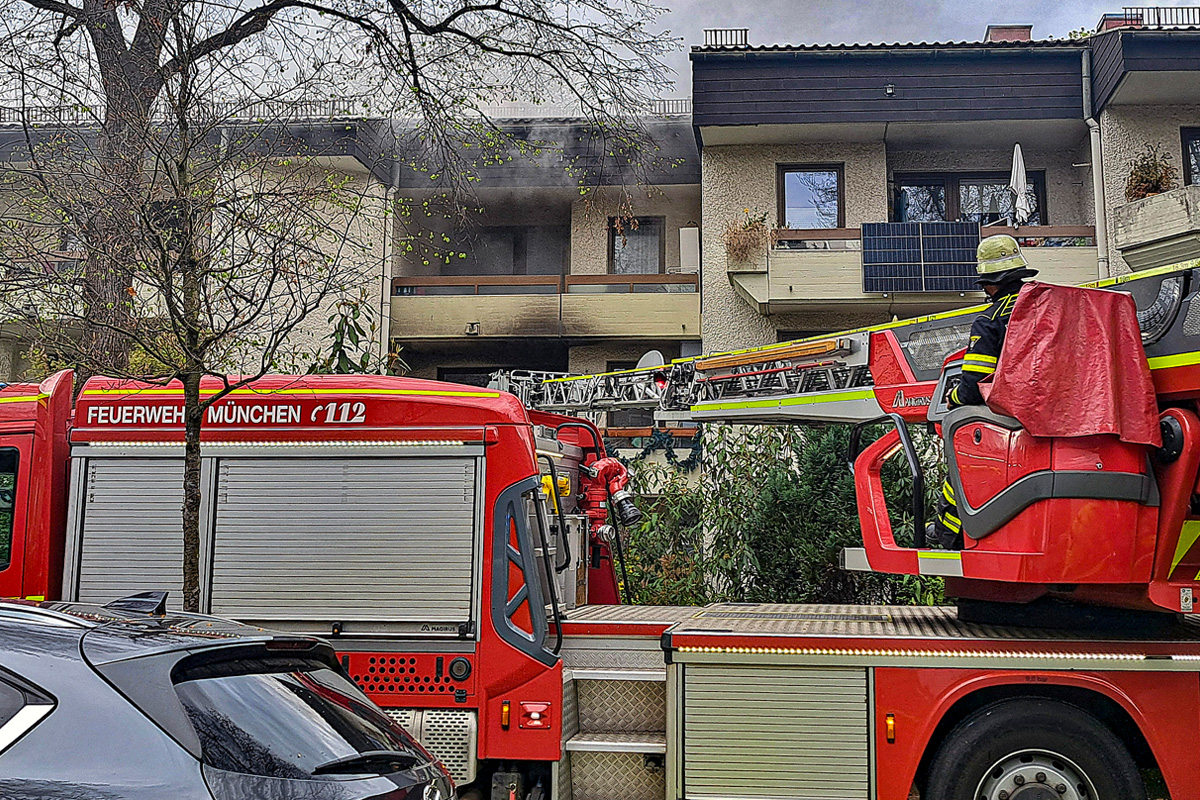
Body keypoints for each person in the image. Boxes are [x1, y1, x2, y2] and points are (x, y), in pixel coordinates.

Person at [930, 234, 1039, 550]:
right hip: (1060, 417)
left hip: (1009, 424)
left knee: (960, 459)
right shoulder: (1047, 306)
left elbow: (973, 389)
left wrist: (952, 399)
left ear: (990, 284)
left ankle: (948, 532)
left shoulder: (990, 322)